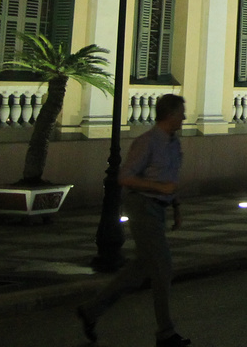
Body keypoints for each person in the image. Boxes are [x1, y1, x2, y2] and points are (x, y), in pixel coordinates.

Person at [79, 94, 191, 347]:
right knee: (163, 268)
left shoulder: (174, 143)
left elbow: (170, 179)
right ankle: (166, 333)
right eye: (181, 112)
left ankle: (91, 310)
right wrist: (158, 187)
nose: (184, 117)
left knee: (139, 270)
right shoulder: (147, 142)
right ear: (170, 114)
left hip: (159, 209)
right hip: (143, 207)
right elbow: (125, 177)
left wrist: (176, 206)